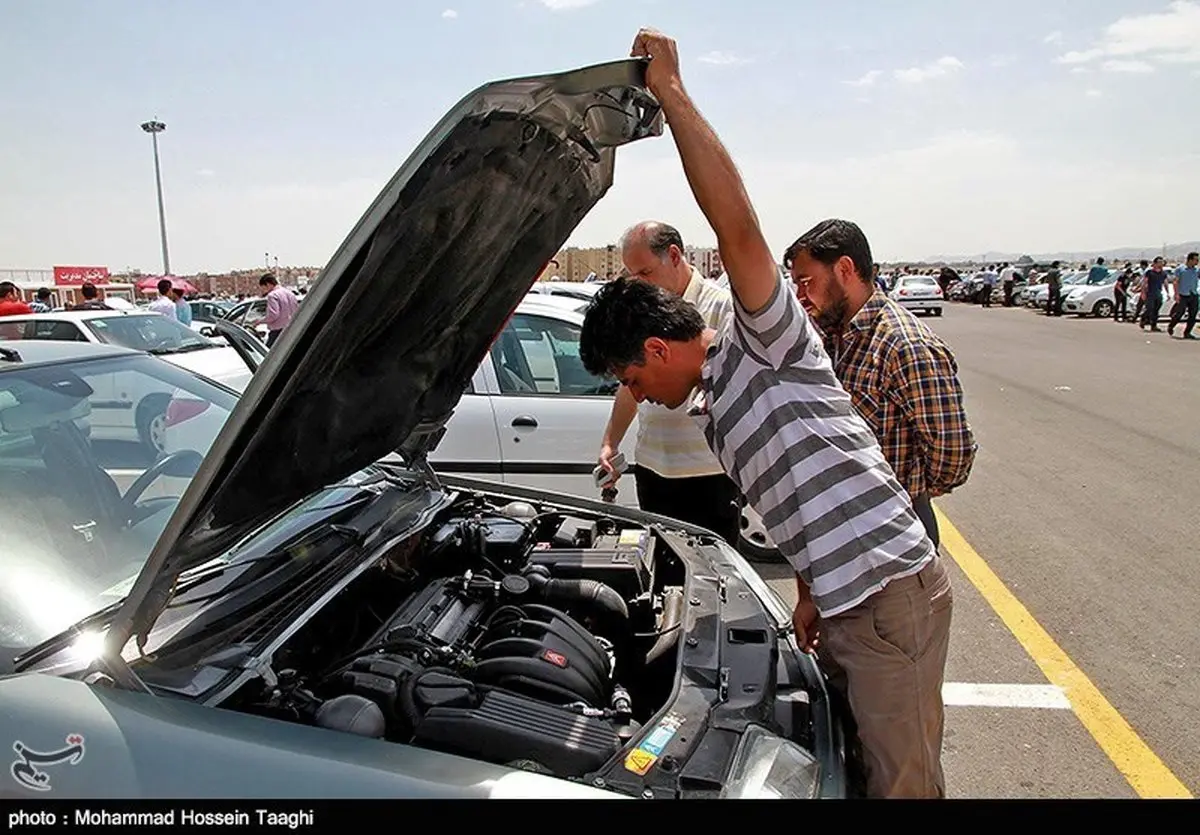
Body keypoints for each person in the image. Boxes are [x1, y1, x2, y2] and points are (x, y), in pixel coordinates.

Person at [580, 28, 953, 799]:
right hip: (850, 600)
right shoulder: (714, 401)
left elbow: (738, 227)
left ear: (656, 347)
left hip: (887, 601)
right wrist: (811, 591)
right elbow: (813, 497)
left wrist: (673, 97)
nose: (636, 396)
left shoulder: (763, 338)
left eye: (629, 378)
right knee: (860, 774)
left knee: (903, 788)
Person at [782, 219, 976, 549]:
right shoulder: (835, 336)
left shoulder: (904, 345)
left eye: (806, 282)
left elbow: (952, 453)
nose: (800, 295)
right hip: (846, 520)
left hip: (895, 527)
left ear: (844, 269)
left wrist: (911, 489)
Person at [596, 221, 741, 545]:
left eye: (644, 273)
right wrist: (610, 443)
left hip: (709, 474)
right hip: (654, 468)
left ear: (674, 255)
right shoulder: (641, 315)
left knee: (712, 575)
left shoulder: (721, 307)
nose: (638, 284)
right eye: (631, 276)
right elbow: (629, 384)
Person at [259, 273, 299, 347]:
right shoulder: (290, 293)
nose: (265, 291)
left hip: (278, 331)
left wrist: (260, 321)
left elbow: (273, 315)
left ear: (268, 284)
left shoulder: (272, 295)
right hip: (292, 329)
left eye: (264, 288)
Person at [1167, 251, 1199, 340]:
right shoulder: (1180, 269)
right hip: (1183, 294)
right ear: (1190, 260)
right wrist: (1176, 294)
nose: (1197, 262)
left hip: (1193, 294)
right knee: (1179, 313)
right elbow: (1175, 282)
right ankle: (1171, 325)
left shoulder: (1196, 270)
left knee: (1193, 314)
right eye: (1196, 260)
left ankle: (1187, 332)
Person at [1140, 257, 1169, 332]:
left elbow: (1165, 283)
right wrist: (1143, 293)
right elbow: (1144, 283)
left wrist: (1168, 293)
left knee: (1156, 310)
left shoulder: (1163, 273)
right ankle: (1143, 318)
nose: (1161, 264)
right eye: (1159, 262)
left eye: (1162, 262)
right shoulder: (1149, 272)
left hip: (1158, 293)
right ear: (1155, 263)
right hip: (1150, 293)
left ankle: (1154, 325)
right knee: (1150, 308)